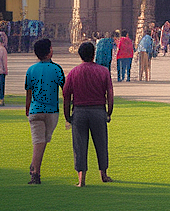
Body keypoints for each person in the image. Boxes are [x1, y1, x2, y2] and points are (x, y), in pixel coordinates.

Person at [64, 41, 114, 186]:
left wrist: (68, 116)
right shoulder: (103, 71)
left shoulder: (74, 72)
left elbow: (66, 96)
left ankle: (81, 179)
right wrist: (109, 112)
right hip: (98, 110)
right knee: (101, 143)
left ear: (80, 55)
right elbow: (110, 93)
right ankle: (103, 174)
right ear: (94, 54)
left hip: (79, 111)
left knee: (79, 146)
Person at [25, 37, 66, 184]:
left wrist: (27, 109)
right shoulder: (56, 69)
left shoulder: (31, 70)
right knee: (42, 141)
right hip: (51, 111)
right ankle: (35, 171)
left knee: (39, 141)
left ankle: (35, 168)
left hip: (35, 109)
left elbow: (29, 92)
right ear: (49, 52)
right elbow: (65, 89)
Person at [0, 35, 7, 105]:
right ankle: (1, 99)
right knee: (1, 87)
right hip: (1, 71)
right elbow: (4, 61)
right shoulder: (2, 49)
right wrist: (6, 70)